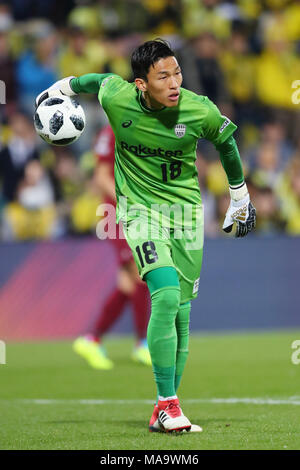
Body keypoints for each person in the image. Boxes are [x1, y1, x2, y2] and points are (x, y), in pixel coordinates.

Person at [35, 39, 256, 433]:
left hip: (186, 215)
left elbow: (225, 142)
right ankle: (169, 405)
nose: (174, 83)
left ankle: (164, 406)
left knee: (182, 318)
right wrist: (61, 88)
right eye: (163, 76)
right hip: (139, 214)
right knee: (166, 295)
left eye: (177, 73)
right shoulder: (118, 98)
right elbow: (98, 79)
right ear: (141, 84)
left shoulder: (199, 108)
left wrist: (239, 195)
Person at [73, 124, 151, 369]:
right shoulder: (112, 131)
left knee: (128, 284)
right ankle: (142, 344)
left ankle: (92, 340)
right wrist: (130, 203)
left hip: (136, 215)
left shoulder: (145, 126)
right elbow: (102, 177)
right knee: (140, 273)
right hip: (117, 215)